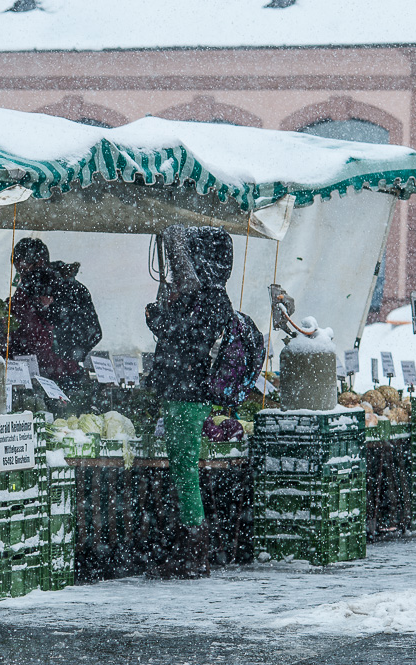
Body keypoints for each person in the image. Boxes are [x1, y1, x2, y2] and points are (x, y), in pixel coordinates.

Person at [144, 225, 235, 579]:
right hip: (188, 394)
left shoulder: (207, 300)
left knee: (185, 474)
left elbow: (185, 342)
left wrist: (158, 320)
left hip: (188, 395)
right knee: (183, 473)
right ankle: (189, 549)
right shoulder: (212, 297)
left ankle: (195, 554)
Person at [11, 237, 102, 365]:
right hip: (41, 367)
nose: (21, 276)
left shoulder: (72, 290)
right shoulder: (29, 289)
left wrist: (64, 357)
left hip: (59, 369)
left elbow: (94, 332)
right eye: (18, 271)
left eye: (23, 270)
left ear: (40, 262)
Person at [9, 267, 82, 382]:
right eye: (49, 296)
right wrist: (70, 367)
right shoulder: (30, 317)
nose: (52, 300)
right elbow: (42, 356)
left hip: (24, 373)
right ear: (38, 295)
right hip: (26, 376)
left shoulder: (30, 311)